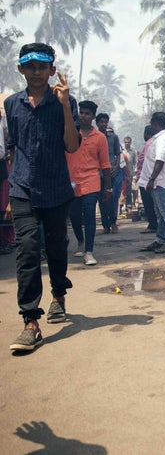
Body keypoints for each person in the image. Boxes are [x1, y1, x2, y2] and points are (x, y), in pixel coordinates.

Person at [4, 42, 79, 352]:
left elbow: (72, 146)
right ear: (21, 69)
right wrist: (9, 194)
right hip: (22, 188)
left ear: (52, 69)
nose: (36, 72)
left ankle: (58, 294)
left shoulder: (66, 101)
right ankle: (30, 321)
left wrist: (63, 105)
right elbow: (14, 149)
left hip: (56, 188)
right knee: (27, 250)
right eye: (30, 66)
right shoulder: (12, 104)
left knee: (56, 247)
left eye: (42, 66)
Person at [66, 100, 111, 266]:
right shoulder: (70, 133)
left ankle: (89, 252)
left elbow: (105, 164)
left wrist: (108, 188)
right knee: (75, 216)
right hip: (71, 182)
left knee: (90, 214)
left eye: (87, 113)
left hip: (91, 180)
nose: (83, 116)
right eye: (81, 112)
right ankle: (80, 241)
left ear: (93, 117)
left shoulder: (99, 138)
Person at [138, 112, 165, 254]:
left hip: (160, 181)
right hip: (157, 181)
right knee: (160, 213)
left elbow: (159, 160)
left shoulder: (163, 140)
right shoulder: (160, 138)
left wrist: (152, 179)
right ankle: (160, 239)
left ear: (155, 124)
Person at [96, 112, 122, 233]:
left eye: (105, 122)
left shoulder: (113, 137)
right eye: (101, 122)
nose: (103, 124)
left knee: (110, 198)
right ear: (97, 123)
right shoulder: (93, 137)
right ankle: (105, 225)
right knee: (101, 200)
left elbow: (118, 154)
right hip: (97, 174)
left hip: (110, 172)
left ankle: (113, 223)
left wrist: (116, 167)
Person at [136, 125, 158, 234]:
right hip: (145, 178)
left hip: (147, 179)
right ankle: (153, 223)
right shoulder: (149, 144)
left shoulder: (150, 144)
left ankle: (153, 224)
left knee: (149, 203)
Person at [0, 108, 15, 254]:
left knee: (5, 207)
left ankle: (9, 240)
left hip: (5, 171)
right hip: (5, 170)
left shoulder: (3, 131)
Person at [122, 136, 138, 212]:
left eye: (128, 142)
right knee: (125, 190)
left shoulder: (133, 151)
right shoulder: (122, 151)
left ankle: (133, 203)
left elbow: (136, 163)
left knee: (134, 189)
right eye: (125, 142)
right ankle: (126, 205)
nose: (127, 144)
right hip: (123, 173)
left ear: (130, 143)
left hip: (131, 173)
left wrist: (135, 173)